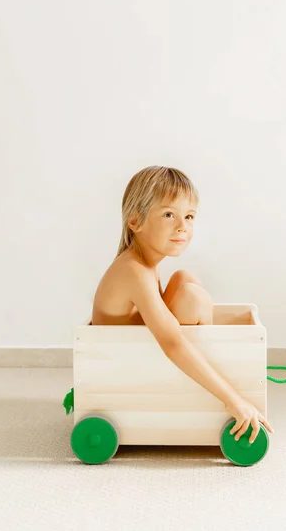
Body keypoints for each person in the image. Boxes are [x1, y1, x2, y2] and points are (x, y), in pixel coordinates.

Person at [91, 165, 274, 443]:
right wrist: (232, 399)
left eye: (189, 216)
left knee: (184, 280)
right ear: (135, 221)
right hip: (125, 366)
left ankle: (213, 360)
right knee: (190, 297)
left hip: (139, 352)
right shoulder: (133, 271)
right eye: (168, 215)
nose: (182, 227)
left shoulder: (143, 265)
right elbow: (172, 343)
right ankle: (216, 379)